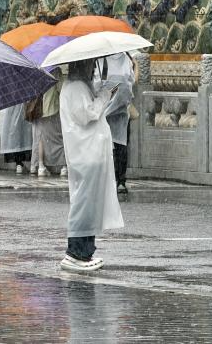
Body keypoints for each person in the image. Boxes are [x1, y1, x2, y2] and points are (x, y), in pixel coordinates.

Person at [58, 58, 124, 273]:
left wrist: (101, 93)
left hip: (89, 153)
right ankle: (75, 252)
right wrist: (105, 95)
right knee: (84, 204)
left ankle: (85, 251)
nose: (92, 68)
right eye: (89, 64)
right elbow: (87, 114)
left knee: (89, 204)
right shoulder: (75, 87)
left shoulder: (79, 86)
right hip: (86, 154)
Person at [99, 53, 136, 194]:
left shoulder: (102, 60)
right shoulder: (126, 58)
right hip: (122, 111)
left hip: (105, 110)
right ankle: (121, 180)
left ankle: (110, 179)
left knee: (107, 147)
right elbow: (131, 81)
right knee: (122, 145)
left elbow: (97, 83)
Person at [30, 81, 67, 178]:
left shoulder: (34, 73)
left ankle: (40, 166)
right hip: (51, 109)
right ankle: (63, 166)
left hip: (37, 109)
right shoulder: (54, 73)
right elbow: (61, 89)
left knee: (39, 138)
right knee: (59, 137)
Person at [0, 104, 32, 174]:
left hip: (10, 109)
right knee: (22, 136)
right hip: (22, 108)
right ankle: (25, 164)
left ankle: (18, 163)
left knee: (14, 138)